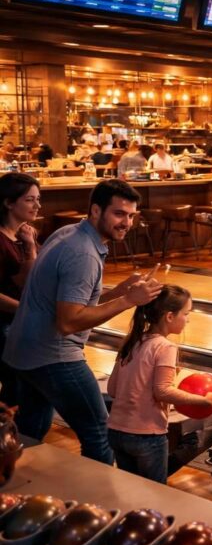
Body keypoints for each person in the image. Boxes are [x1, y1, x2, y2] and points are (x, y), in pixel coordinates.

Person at [5, 180, 163, 463]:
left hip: (23, 350)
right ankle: (99, 505)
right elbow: (69, 321)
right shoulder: (83, 254)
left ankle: (10, 482)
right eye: (118, 214)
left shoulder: (69, 233)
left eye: (130, 215)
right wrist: (129, 301)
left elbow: (73, 297)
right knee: (99, 432)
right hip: (52, 357)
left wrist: (119, 291)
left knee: (29, 431)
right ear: (95, 210)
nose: (126, 222)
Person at [106, 285, 212, 483]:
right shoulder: (165, 346)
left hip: (117, 432)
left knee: (131, 490)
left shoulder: (132, 341)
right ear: (169, 317)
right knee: (155, 494)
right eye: (186, 314)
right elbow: (162, 391)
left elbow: (112, 389)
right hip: (146, 436)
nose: (188, 320)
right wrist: (205, 400)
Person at [0, 173, 40, 406]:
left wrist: (30, 247)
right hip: (5, 322)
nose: (37, 205)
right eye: (30, 200)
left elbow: (28, 282)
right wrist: (26, 310)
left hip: (18, 321)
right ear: (8, 202)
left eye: (38, 199)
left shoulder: (25, 234)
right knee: (21, 387)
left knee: (23, 390)